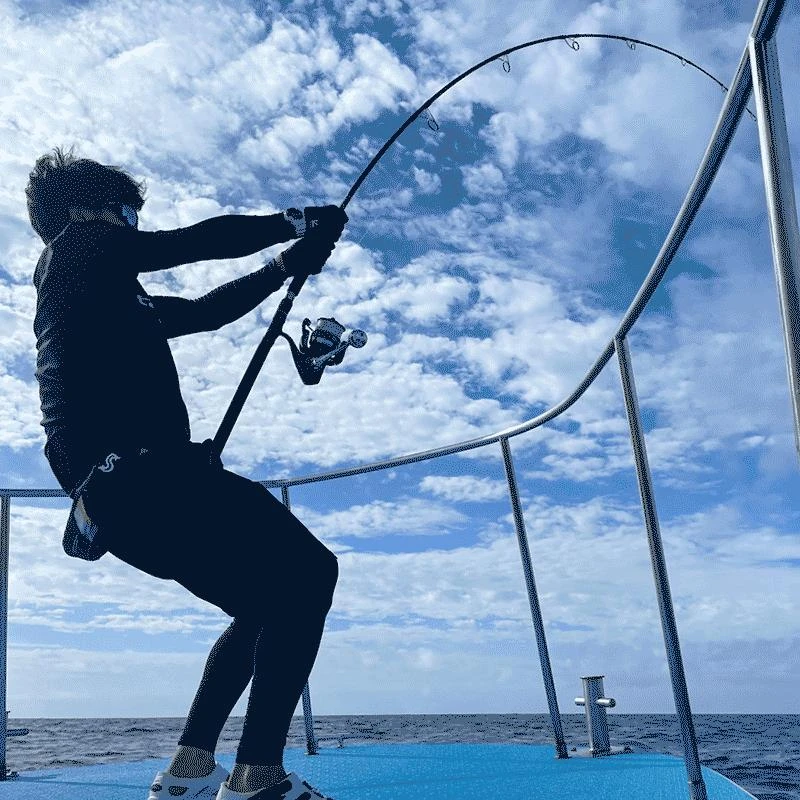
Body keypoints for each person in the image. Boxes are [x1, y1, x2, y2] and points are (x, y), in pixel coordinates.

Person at [28, 147, 347, 800]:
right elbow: (194, 243)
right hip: (141, 481)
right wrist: (295, 222)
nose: (134, 227)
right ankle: (258, 776)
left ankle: (190, 772)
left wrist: (285, 267)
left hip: (124, 494)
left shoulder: (106, 296)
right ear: (88, 211)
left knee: (262, 605)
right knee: (311, 574)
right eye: (127, 214)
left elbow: (205, 311)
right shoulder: (75, 248)